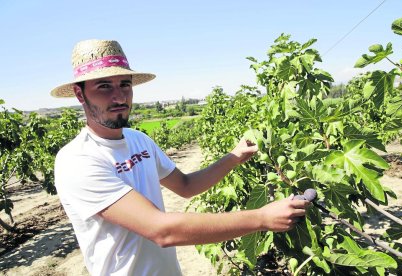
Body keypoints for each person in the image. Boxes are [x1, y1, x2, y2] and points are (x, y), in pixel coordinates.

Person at [51, 39, 310, 276]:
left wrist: (233, 157)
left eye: (124, 84)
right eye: (104, 86)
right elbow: (161, 230)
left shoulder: (138, 140)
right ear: (79, 94)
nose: (119, 96)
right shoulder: (77, 160)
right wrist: (262, 218)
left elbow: (186, 186)